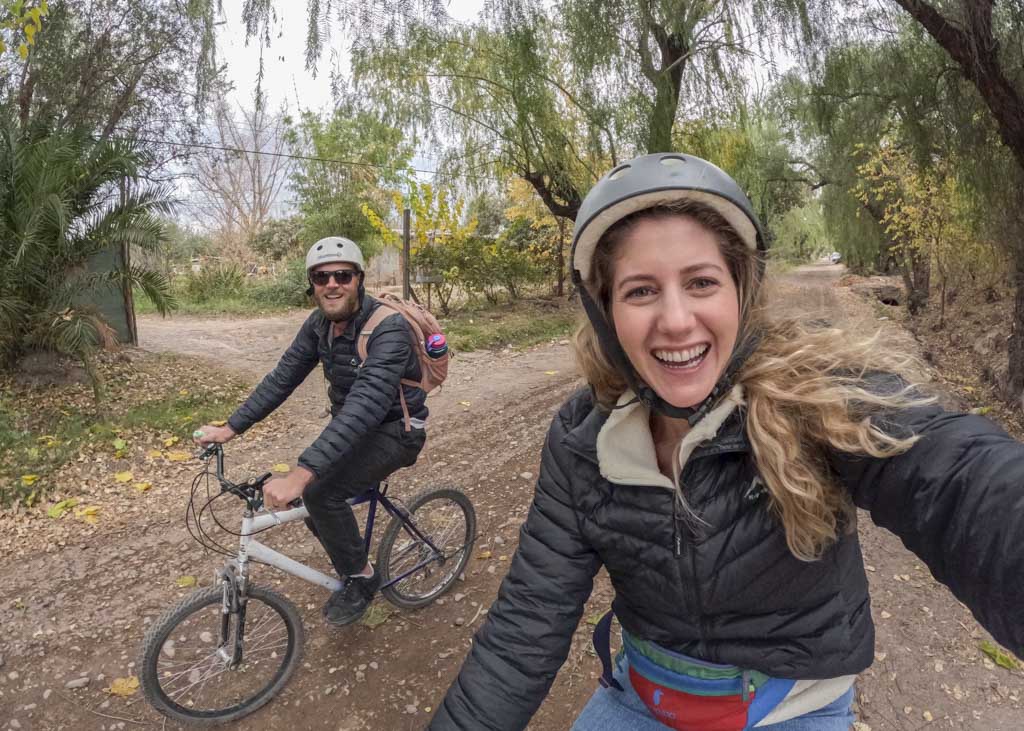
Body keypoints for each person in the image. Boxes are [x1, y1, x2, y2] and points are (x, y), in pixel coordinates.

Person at [428, 153, 1024, 730]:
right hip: (645, 697)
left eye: (701, 282)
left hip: (793, 708)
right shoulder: (583, 439)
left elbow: (957, 480)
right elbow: (526, 624)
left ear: (741, 290)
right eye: (640, 291)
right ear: (605, 310)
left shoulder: (818, 395)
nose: (677, 319)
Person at [194, 236, 427, 626]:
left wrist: (303, 473)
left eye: (342, 275)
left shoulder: (389, 330)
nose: (331, 284)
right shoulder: (319, 325)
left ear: (358, 280)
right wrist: (230, 428)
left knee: (318, 491)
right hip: (353, 427)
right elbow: (282, 379)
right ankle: (350, 556)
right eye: (322, 277)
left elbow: (366, 404)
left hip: (396, 431)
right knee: (311, 499)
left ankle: (362, 579)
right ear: (312, 284)